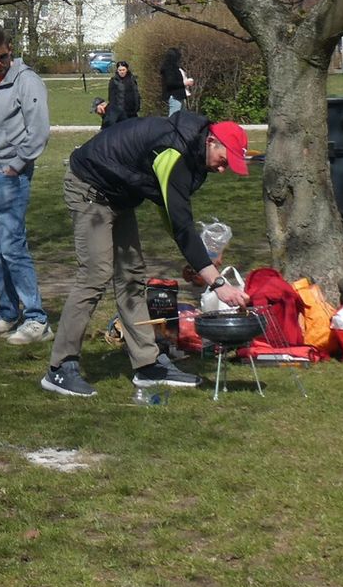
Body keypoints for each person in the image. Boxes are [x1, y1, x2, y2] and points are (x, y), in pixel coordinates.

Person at [41, 111, 252, 399]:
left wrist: (200, 260)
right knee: (95, 274)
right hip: (89, 188)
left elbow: (170, 211)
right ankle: (60, 368)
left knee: (131, 277)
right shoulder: (175, 152)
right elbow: (181, 225)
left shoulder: (194, 155)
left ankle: (148, 365)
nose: (223, 169)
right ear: (212, 142)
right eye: (225, 160)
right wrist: (217, 282)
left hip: (119, 195)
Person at [0, 25, 53, 346]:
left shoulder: (26, 81)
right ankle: (7, 312)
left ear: (10, 49)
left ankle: (36, 319)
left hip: (10, 176)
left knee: (13, 247)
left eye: (1, 57)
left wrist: (16, 165)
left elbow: (39, 130)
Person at [96, 59, 140, 129]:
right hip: (120, 111)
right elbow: (111, 97)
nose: (122, 72)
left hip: (132, 110)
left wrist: (137, 106)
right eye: (120, 70)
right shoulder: (113, 81)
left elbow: (136, 93)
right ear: (117, 70)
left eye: (123, 70)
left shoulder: (132, 80)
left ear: (127, 70)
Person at [159, 47, 192, 117]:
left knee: (182, 118)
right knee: (173, 119)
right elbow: (170, 83)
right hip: (174, 96)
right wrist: (184, 83)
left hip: (179, 96)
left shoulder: (174, 67)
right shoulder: (169, 68)